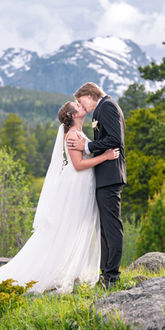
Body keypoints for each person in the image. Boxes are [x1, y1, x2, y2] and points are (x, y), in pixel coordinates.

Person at [0, 101, 119, 293]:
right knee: (70, 228)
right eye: (77, 104)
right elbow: (78, 164)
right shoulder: (73, 135)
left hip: (84, 185)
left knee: (76, 227)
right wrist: (105, 157)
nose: (81, 104)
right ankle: (55, 271)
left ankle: (69, 268)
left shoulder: (78, 133)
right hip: (78, 185)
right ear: (73, 115)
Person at [67, 82, 126, 289]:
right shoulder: (101, 109)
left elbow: (115, 139)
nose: (80, 105)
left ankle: (112, 276)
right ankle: (106, 274)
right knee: (105, 229)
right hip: (105, 176)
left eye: (80, 101)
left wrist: (88, 146)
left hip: (110, 175)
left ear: (91, 95)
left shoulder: (107, 107)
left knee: (111, 227)